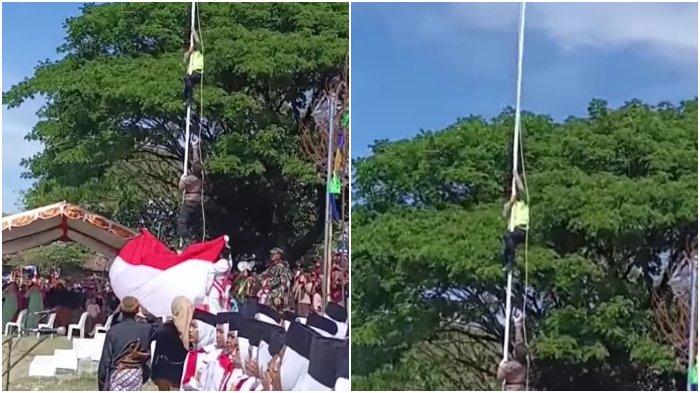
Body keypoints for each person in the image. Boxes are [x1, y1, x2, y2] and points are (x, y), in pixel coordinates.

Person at [98, 296, 155, 391]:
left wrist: (102, 382)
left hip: (117, 374)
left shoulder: (113, 331)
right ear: (137, 310)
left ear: (120, 309)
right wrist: (147, 314)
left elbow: (105, 361)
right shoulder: (146, 329)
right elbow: (159, 325)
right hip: (136, 375)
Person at [151, 297, 192, 391]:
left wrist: (154, 373)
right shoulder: (193, 330)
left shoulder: (163, 329)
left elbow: (158, 352)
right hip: (184, 372)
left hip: (165, 372)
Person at [180, 308, 217, 390]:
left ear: (205, 330)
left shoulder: (214, 355)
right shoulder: (192, 353)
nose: (189, 330)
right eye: (190, 326)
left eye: (194, 326)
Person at [502, 174, 529, 272]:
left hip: (521, 229)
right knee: (506, 249)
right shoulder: (508, 204)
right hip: (513, 230)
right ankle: (510, 264)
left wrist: (516, 176)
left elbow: (521, 188)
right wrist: (510, 203)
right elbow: (504, 214)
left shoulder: (524, 201)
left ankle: (511, 263)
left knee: (508, 236)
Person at [496, 312, 527, 391]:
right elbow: (520, 344)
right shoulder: (526, 362)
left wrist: (501, 365)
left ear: (515, 353)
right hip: (522, 388)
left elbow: (499, 377)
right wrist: (518, 325)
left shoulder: (511, 366)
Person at [258, 248, 293, 313]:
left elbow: (283, 280)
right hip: (270, 294)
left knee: (276, 312)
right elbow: (261, 276)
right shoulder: (271, 268)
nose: (271, 256)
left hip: (278, 295)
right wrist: (259, 280)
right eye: (271, 254)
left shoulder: (282, 267)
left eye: (273, 254)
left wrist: (269, 283)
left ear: (278, 255)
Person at [177, 161, 203, 242]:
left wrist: (182, 179)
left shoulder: (189, 179)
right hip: (198, 201)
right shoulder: (201, 178)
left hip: (189, 200)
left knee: (182, 221)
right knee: (194, 221)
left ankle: (186, 238)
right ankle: (194, 237)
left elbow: (181, 188)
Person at [183, 30, 204, 106]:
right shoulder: (189, 56)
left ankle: (190, 98)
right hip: (191, 74)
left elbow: (197, 41)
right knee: (186, 88)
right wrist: (188, 53)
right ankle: (188, 99)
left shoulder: (199, 51)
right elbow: (184, 61)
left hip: (198, 73)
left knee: (187, 78)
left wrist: (193, 31)